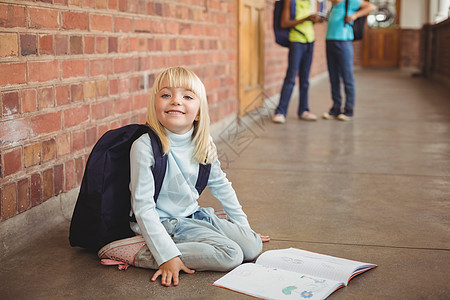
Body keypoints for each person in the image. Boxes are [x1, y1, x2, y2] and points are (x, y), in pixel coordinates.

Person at [97, 67, 270, 287]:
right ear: (155, 105)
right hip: (164, 222)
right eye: (166, 95)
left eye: (187, 96)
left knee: (253, 245)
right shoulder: (145, 147)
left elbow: (221, 185)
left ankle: (198, 237)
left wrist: (243, 228)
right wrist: (167, 257)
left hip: (194, 216)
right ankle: (139, 251)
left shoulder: (204, 143)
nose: (176, 101)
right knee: (231, 255)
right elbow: (143, 208)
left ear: (198, 112)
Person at [322, 0, 375, 121]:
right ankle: (335, 108)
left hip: (344, 42)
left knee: (347, 77)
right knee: (333, 77)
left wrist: (355, 15)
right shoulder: (332, 6)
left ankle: (348, 110)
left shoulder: (350, 1)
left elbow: (371, 7)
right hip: (330, 41)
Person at [273, 0, 322, 124]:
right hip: (296, 41)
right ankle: (280, 111)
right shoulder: (290, 1)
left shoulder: (311, 2)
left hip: (310, 41)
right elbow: (284, 23)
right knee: (291, 77)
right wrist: (306, 18)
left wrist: (315, 19)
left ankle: (304, 110)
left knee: (305, 79)